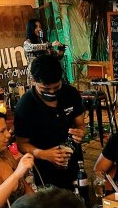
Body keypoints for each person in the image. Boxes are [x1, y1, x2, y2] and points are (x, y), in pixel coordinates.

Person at [14, 54, 85, 190]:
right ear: (33, 81)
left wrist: (80, 132)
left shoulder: (70, 93)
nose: (52, 92)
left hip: (74, 160)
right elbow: (21, 144)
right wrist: (44, 154)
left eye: (56, 87)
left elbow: (80, 123)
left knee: (79, 200)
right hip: (44, 168)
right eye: (46, 89)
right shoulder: (25, 106)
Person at [23, 18, 60, 85]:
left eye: (40, 27)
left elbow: (56, 56)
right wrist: (50, 44)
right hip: (34, 75)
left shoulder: (44, 42)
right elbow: (33, 47)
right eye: (36, 27)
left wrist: (61, 50)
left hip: (46, 74)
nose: (39, 29)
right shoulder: (27, 43)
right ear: (31, 29)